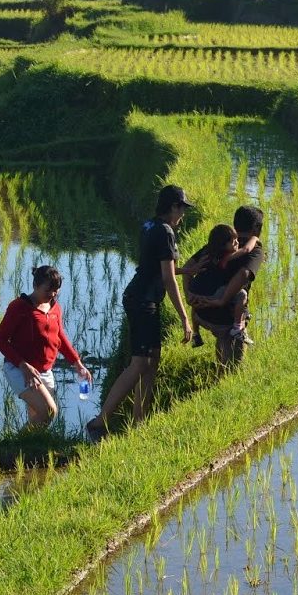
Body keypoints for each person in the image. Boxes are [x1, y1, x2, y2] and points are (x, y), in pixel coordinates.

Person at [85, 185, 199, 441]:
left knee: (153, 359)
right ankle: (99, 421)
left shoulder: (150, 226)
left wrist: (187, 271)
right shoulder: (166, 232)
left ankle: (139, 423)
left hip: (140, 297)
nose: (183, 214)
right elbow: (168, 279)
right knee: (140, 363)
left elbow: (157, 267)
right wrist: (184, 318)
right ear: (173, 207)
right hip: (143, 301)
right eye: (183, 209)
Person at [0, 265, 92, 431]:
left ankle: (26, 451)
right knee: (48, 411)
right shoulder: (19, 307)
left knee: (38, 418)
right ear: (35, 286)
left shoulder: (55, 308)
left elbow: (59, 337)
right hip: (20, 369)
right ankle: (14, 446)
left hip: (45, 371)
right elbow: (0, 339)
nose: (52, 294)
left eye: (56, 290)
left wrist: (77, 363)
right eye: (48, 290)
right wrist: (23, 365)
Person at [187, 206, 265, 367]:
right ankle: (224, 378)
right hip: (224, 317)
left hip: (200, 313)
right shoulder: (254, 251)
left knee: (222, 340)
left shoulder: (217, 245)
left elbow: (188, 268)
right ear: (256, 228)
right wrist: (222, 300)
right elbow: (243, 274)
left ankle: (217, 366)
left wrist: (188, 294)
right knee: (232, 357)